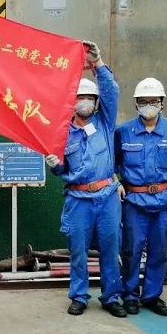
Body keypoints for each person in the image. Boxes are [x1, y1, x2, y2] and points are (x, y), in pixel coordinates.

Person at [45, 41, 126, 317]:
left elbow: (111, 91)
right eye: (81, 97)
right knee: (78, 250)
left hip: (106, 196)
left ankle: (111, 296)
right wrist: (55, 166)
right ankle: (79, 296)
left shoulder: (105, 122)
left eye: (90, 98)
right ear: (72, 101)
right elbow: (61, 170)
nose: (86, 102)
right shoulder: (62, 133)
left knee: (110, 248)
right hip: (78, 198)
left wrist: (97, 63)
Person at [114, 79, 167, 317]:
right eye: (143, 102)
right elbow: (112, 164)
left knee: (159, 251)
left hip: (165, 201)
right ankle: (130, 295)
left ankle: (152, 296)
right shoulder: (123, 132)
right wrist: (116, 182)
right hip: (134, 202)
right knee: (131, 250)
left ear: (162, 103)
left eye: (153, 101)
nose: (148, 106)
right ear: (136, 104)